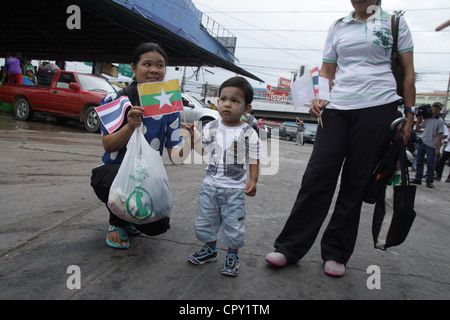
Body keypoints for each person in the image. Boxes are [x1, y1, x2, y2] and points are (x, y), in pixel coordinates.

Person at [265, 0, 416, 277]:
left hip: (378, 108)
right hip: (336, 110)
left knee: (355, 183)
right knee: (317, 176)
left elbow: (408, 72)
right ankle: (289, 246)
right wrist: (320, 97)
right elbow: (327, 70)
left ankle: (336, 252)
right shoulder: (338, 26)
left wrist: (409, 113)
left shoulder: (394, 23)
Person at [90, 42, 193, 249]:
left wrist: (191, 140)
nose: (154, 70)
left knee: (158, 226)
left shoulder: (170, 107)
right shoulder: (115, 99)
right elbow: (108, 146)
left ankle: (130, 218)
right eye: (147, 64)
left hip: (146, 176)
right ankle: (117, 223)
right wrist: (129, 126)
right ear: (134, 67)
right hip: (112, 172)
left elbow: (175, 157)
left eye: (160, 65)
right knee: (118, 182)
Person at [187, 76, 261, 277]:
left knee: (233, 224)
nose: (227, 104)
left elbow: (254, 159)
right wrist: (194, 137)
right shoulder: (211, 127)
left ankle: (232, 255)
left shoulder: (248, 133)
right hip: (209, 186)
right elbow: (203, 152)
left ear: (246, 108)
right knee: (205, 221)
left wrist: (252, 180)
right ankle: (210, 249)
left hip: (234, 190)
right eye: (223, 99)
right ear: (218, 101)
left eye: (235, 100)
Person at [412, 102, 445, 188]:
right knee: (419, 161)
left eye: (437, 108)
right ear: (432, 108)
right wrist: (419, 117)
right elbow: (418, 128)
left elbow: (440, 135)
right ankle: (418, 178)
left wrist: (438, 148)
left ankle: (429, 180)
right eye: (434, 107)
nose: (435, 109)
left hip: (432, 144)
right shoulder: (427, 118)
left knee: (430, 163)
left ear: (439, 110)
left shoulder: (440, 121)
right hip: (423, 141)